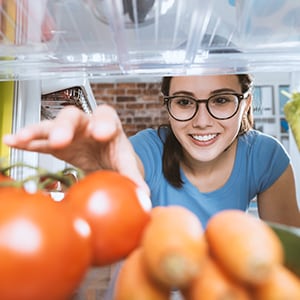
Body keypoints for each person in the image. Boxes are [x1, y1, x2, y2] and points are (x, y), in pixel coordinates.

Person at [3, 74, 300, 228]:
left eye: (221, 100)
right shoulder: (148, 147)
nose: (202, 121)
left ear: (245, 103)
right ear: (168, 105)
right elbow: (127, 172)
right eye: (184, 102)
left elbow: (289, 263)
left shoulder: (264, 156)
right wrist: (104, 172)